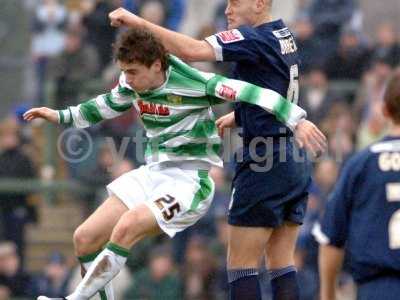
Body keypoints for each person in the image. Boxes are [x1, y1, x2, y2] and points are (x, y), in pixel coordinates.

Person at [24, 28, 311, 300]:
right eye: (125, 71)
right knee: (84, 238)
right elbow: (102, 106)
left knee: (127, 226)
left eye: (133, 71)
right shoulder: (131, 84)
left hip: (189, 183)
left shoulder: (198, 83)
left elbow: (253, 92)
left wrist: (297, 120)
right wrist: (60, 115)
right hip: (152, 173)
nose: (128, 78)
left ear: (157, 65)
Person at [109, 1, 327, 299]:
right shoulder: (282, 33)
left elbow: (191, 51)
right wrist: (241, 115)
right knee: (281, 262)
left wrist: (138, 22)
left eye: (236, 2)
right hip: (292, 159)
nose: (227, 9)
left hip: (263, 158)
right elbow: (276, 83)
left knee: (241, 266)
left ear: (260, 3)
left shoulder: (252, 38)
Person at [314, 69, 400, 300]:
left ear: (384, 110)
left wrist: (328, 294)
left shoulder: (361, 164)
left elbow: (331, 239)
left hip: (379, 288)